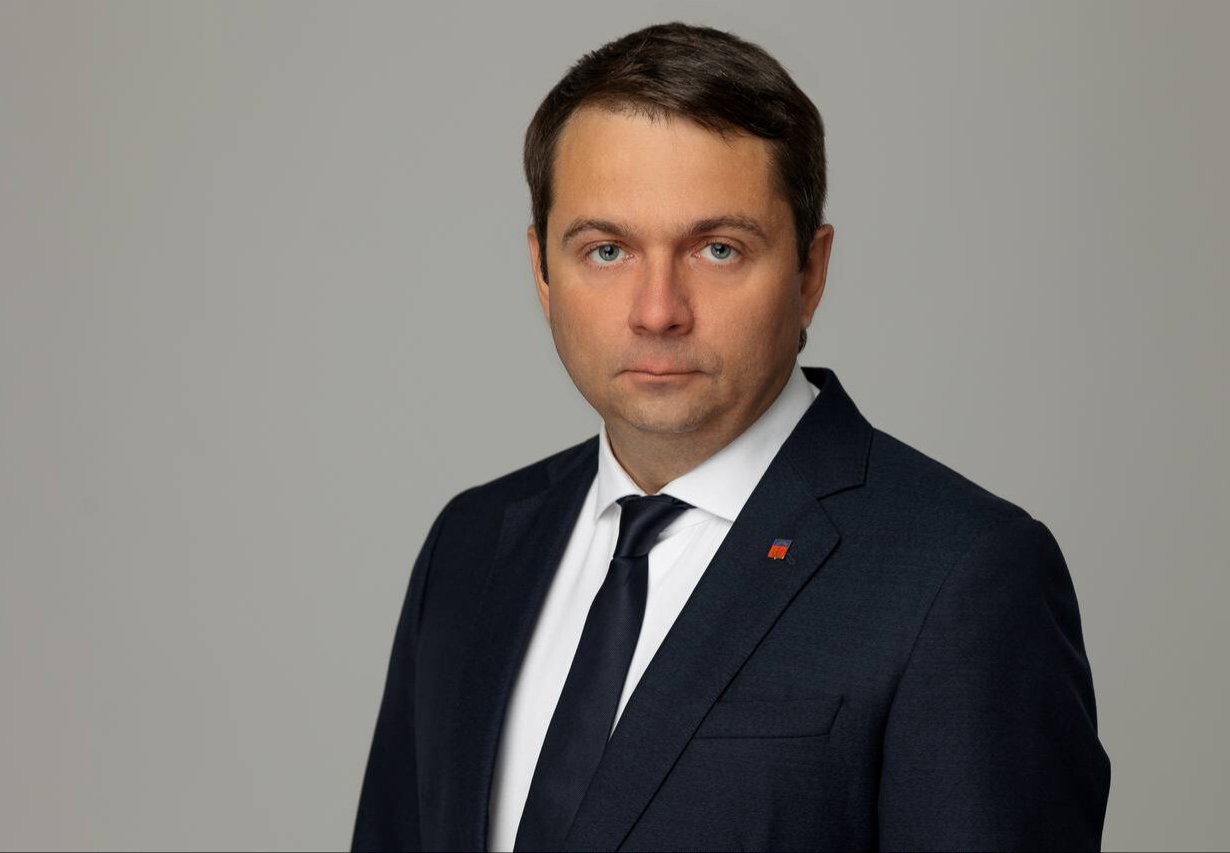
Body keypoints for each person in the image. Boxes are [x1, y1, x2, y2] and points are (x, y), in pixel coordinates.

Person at [352, 21, 1110, 853]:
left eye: (718, 249)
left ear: (810, 271)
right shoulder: (470, 547)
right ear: (541, 270)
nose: (657, 311)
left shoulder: (962, 578)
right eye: (606, 250)